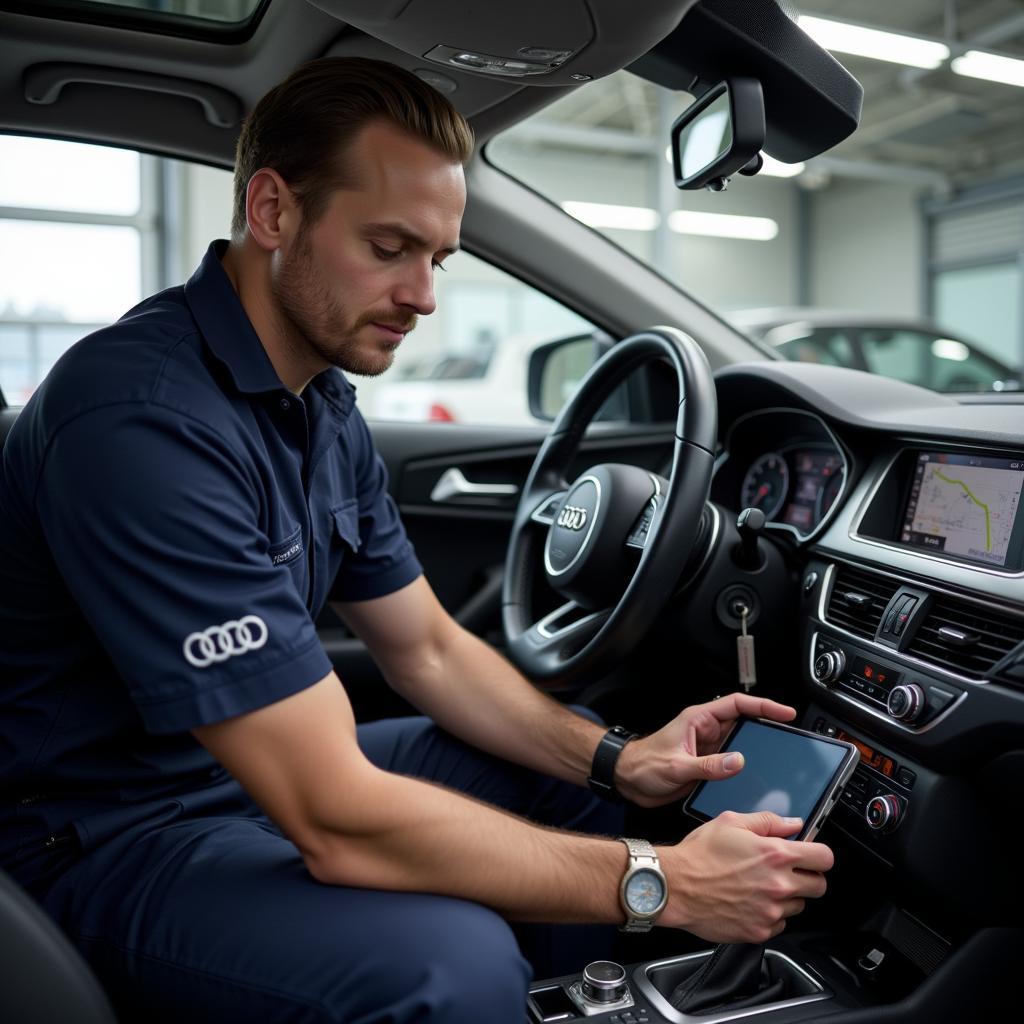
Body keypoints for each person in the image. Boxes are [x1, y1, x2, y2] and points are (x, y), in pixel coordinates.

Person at [0, 57, 833, 1023]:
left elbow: (427, 650)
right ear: (272, 212)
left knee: (551, 783)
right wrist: (664, 883)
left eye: (437, 259)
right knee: (452, 965)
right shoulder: (141, 422)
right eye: (390, 246)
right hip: (101, 834)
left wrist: (617, 757)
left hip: (238, 781)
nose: (424, 295)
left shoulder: (321, 405)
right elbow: (334, 816)